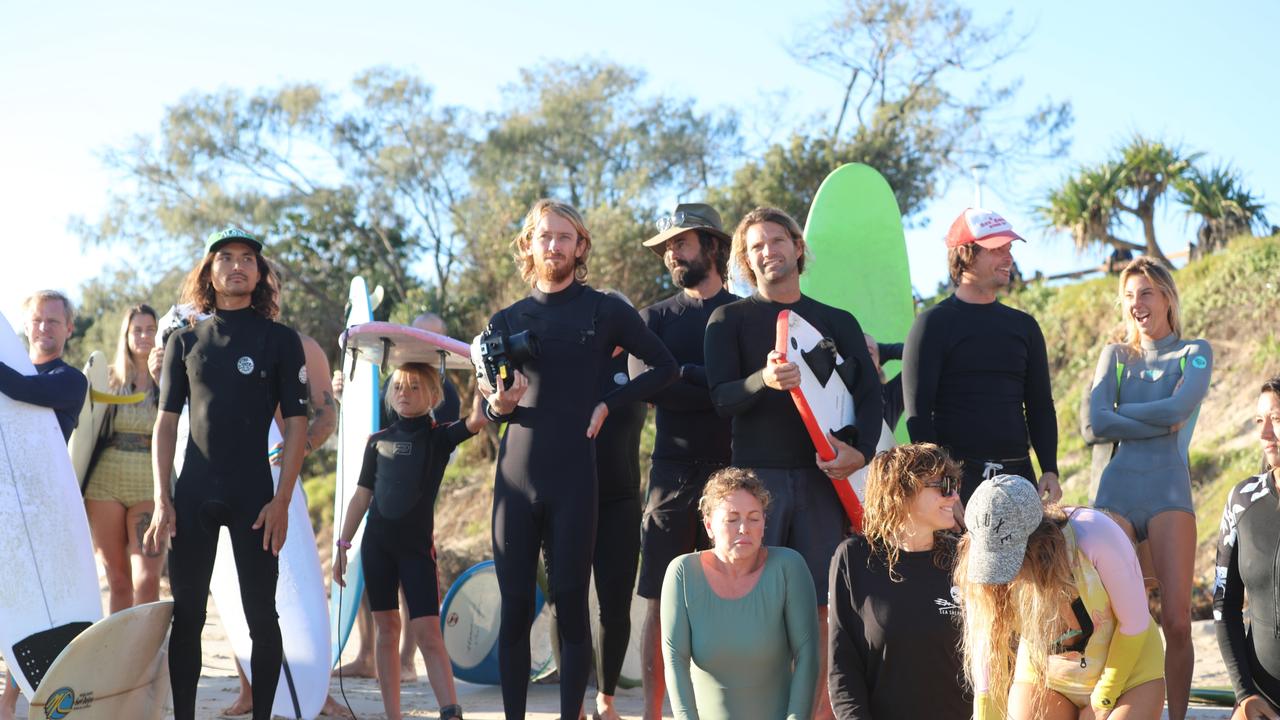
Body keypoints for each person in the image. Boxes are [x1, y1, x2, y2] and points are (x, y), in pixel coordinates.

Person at [482, 199, 675, 719]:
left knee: (572, 605)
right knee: (516, 609)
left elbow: (665, 366)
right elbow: (490, 397)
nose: (554, 245)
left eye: (564, 237)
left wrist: (608, 403)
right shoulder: (506, 320)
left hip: (576, 479)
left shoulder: (605, 310)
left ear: (580, 245)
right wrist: (496, 404)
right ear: (528, 244)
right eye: (544, 236)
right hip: (515, 480)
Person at [704, 205, 881, 720]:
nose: (768, 252)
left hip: (826, 482)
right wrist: (763, 380)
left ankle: (820, 713)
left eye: (776, 240)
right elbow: (721, 397)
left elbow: (869, 397)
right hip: (758, 483)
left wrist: (859, 452)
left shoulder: (837, 321)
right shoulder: (728, 320)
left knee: (826, 609)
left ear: (797, 247)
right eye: (756, 246)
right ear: (745, 259)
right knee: (758, 605)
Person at [143, 226, 309, 720]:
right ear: (209, 273)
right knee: (188, 614)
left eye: (247, 260)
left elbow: (298, 425)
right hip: (193, 493)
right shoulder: (183, 339)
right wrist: (161, 497)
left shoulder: (280, 341)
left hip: (255, 496)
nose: (237, 266)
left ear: (259, 275)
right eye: (226, 259)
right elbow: (165, 423)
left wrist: (281, 501)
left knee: (263, 616)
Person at [1088, 256, 1211, 720]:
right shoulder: (1116, 355)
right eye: (1129, 296)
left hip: (1168, 493)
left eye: (1145, 293)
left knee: (1177, 622)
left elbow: (1181, 408)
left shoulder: (1194, 352)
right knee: (1113, 619)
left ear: (1166, 297)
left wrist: (1126, 415)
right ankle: (1113, 707)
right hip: (1116, 492)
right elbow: (1097, 421)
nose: (1136, 304)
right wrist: (1160, 419)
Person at [334, 362, 491, 720]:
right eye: (399, 387)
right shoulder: (378, 442)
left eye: (415, 387)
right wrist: (343, 546)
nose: (405, 393)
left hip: (417, 550)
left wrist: (485, 385)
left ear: (434, 396)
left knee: (427, 633)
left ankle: (450, 711)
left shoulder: (438, 437)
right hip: (377, 547)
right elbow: (361, 496)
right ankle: (394, 715)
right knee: (386, 630)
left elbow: (477, 421)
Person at [630, 202, 738, 719]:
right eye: (667, 246)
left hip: (737, 476)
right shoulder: (650, 320)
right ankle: (655, 714)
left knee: (731, 595)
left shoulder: (745, 313)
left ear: (712, 247)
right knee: (660, 599)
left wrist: (682, 377)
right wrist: (713, 383)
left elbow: (741, 395)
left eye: (681, 243)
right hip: (670, 477)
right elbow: (649, 388)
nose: (671, 253)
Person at [956, 475, 1165, 720]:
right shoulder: (977, 569)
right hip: (1048, 677)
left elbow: (1135, 623)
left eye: (1010, 560)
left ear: (1037, 540)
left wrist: (1103, 699)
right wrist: (984, 712)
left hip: (1128, 671)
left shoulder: (1095, 534)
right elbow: (986, 649)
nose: (1004, 575)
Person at [221, 329, 348, 719]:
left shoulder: (304, 346)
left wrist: (301, 446)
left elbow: (326, 414)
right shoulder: (222, 341)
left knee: (298, 579)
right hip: (229, 478)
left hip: (281, 480)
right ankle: (249, 688)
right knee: (233, 581)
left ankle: (316, 691)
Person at [902, 207, 1061, 506]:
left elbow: (1040, 405)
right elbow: (918, 416)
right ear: (965, 254)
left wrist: (1050, 468)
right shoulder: (932, 324)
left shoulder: (1024, 326)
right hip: (960, 481)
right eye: (997, 249)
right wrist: (942, 485)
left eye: (1009, 248)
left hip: (1018, 477)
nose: (1008, 257)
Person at [333, 310, 459, 684]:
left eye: (430, 339)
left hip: (416, 493)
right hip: (379, 483)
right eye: (415, 335)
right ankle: (367, 654)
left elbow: (432, 438)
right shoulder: (395, 379)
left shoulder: (441, 388)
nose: (418, 345)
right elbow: (376, 427)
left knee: (410, 578)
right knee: (372, 569)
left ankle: (407, 660)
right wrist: (348, 398)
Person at [661, 466, 818, 720]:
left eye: (754, 518)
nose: (744, 528)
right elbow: (675, 660)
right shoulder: (682, 573)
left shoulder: (789, 567)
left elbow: (807, 654)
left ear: (764, 524)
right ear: (709, 525)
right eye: (732, 519)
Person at [827, 443, 970, 719]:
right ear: (901, 492)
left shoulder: (963, 557)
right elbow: (843, 667)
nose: (954, 496)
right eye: (943, 485)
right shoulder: (854, 559)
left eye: (956, 484)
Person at [0, 289, 88, 720]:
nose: (43, 328)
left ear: (69, 328)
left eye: (53, 321)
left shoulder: (70, 381)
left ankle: (12, 699)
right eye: (36, 320)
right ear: (26, 324)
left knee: (31, 603)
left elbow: (19, 389)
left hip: (44, 510)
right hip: (5, 507)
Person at [580, 289, 648, 720]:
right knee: (565, 601)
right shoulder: (576, 362)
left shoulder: (640, 363)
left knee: (615, 603)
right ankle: (574, 696)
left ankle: (606, 698)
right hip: (571, 496)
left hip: (622, 499)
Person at [83, 304, 166, 614]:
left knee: (147, 580)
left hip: (151, 485)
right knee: (119, 581)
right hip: (105, 484)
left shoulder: (172, 379)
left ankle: (143, 656)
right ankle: (118, 658)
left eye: (151, 329)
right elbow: (85, 430)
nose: (144, 336)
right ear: (127, 336)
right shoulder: (107, 379)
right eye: (138, 330)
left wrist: (163, 377)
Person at [1213, 376, 1280, 719]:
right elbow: (1224, 605)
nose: (1265, 433)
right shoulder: (1243, 500)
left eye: (1278, 419)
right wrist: (1244, 695)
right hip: (1262, 701)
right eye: (1259, 421)